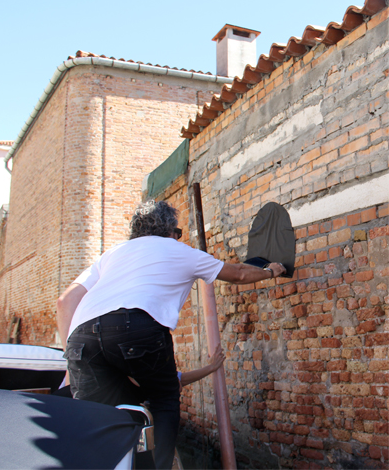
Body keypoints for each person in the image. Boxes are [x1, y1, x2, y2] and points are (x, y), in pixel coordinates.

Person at [57, 200, 285, 470]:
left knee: (95, 418)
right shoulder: (177, 250)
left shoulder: (112, 253)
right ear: (169, 230)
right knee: (164, 399)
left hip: (82, 338)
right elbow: (237, 273)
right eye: (177, 232)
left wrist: (70, 358)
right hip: (136, 325)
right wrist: (271, 271)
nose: (178, 237)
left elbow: (65, 302)